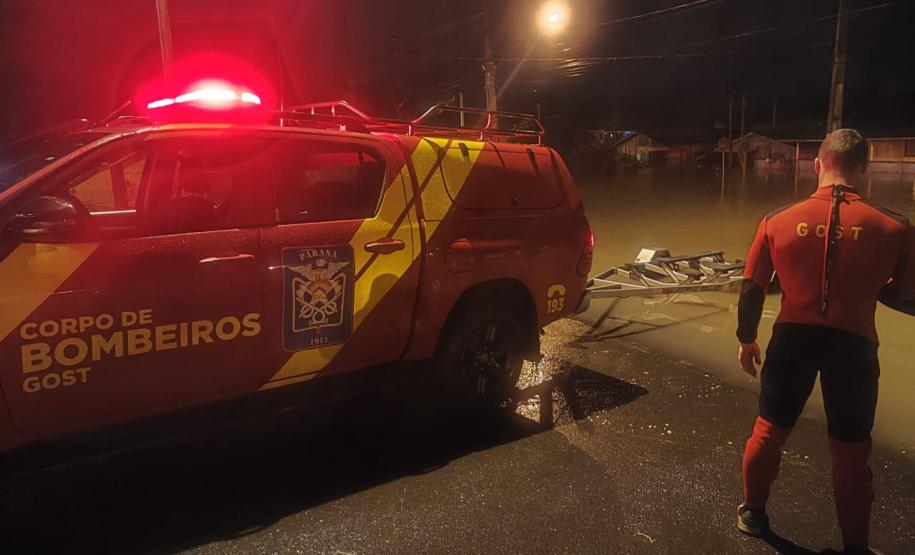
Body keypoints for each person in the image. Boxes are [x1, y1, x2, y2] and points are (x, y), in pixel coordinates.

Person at [734, 128, 915, 553]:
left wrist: (747, 340)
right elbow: (908, 297)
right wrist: (868, 287)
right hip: (853, 347)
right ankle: (855, 546)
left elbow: (751, 290)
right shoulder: (896, 226)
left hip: (791, 339)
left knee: (768, 432)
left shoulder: (775, 219)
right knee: (851, 452)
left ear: (818, 164)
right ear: (864, 169)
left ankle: (753, 515)